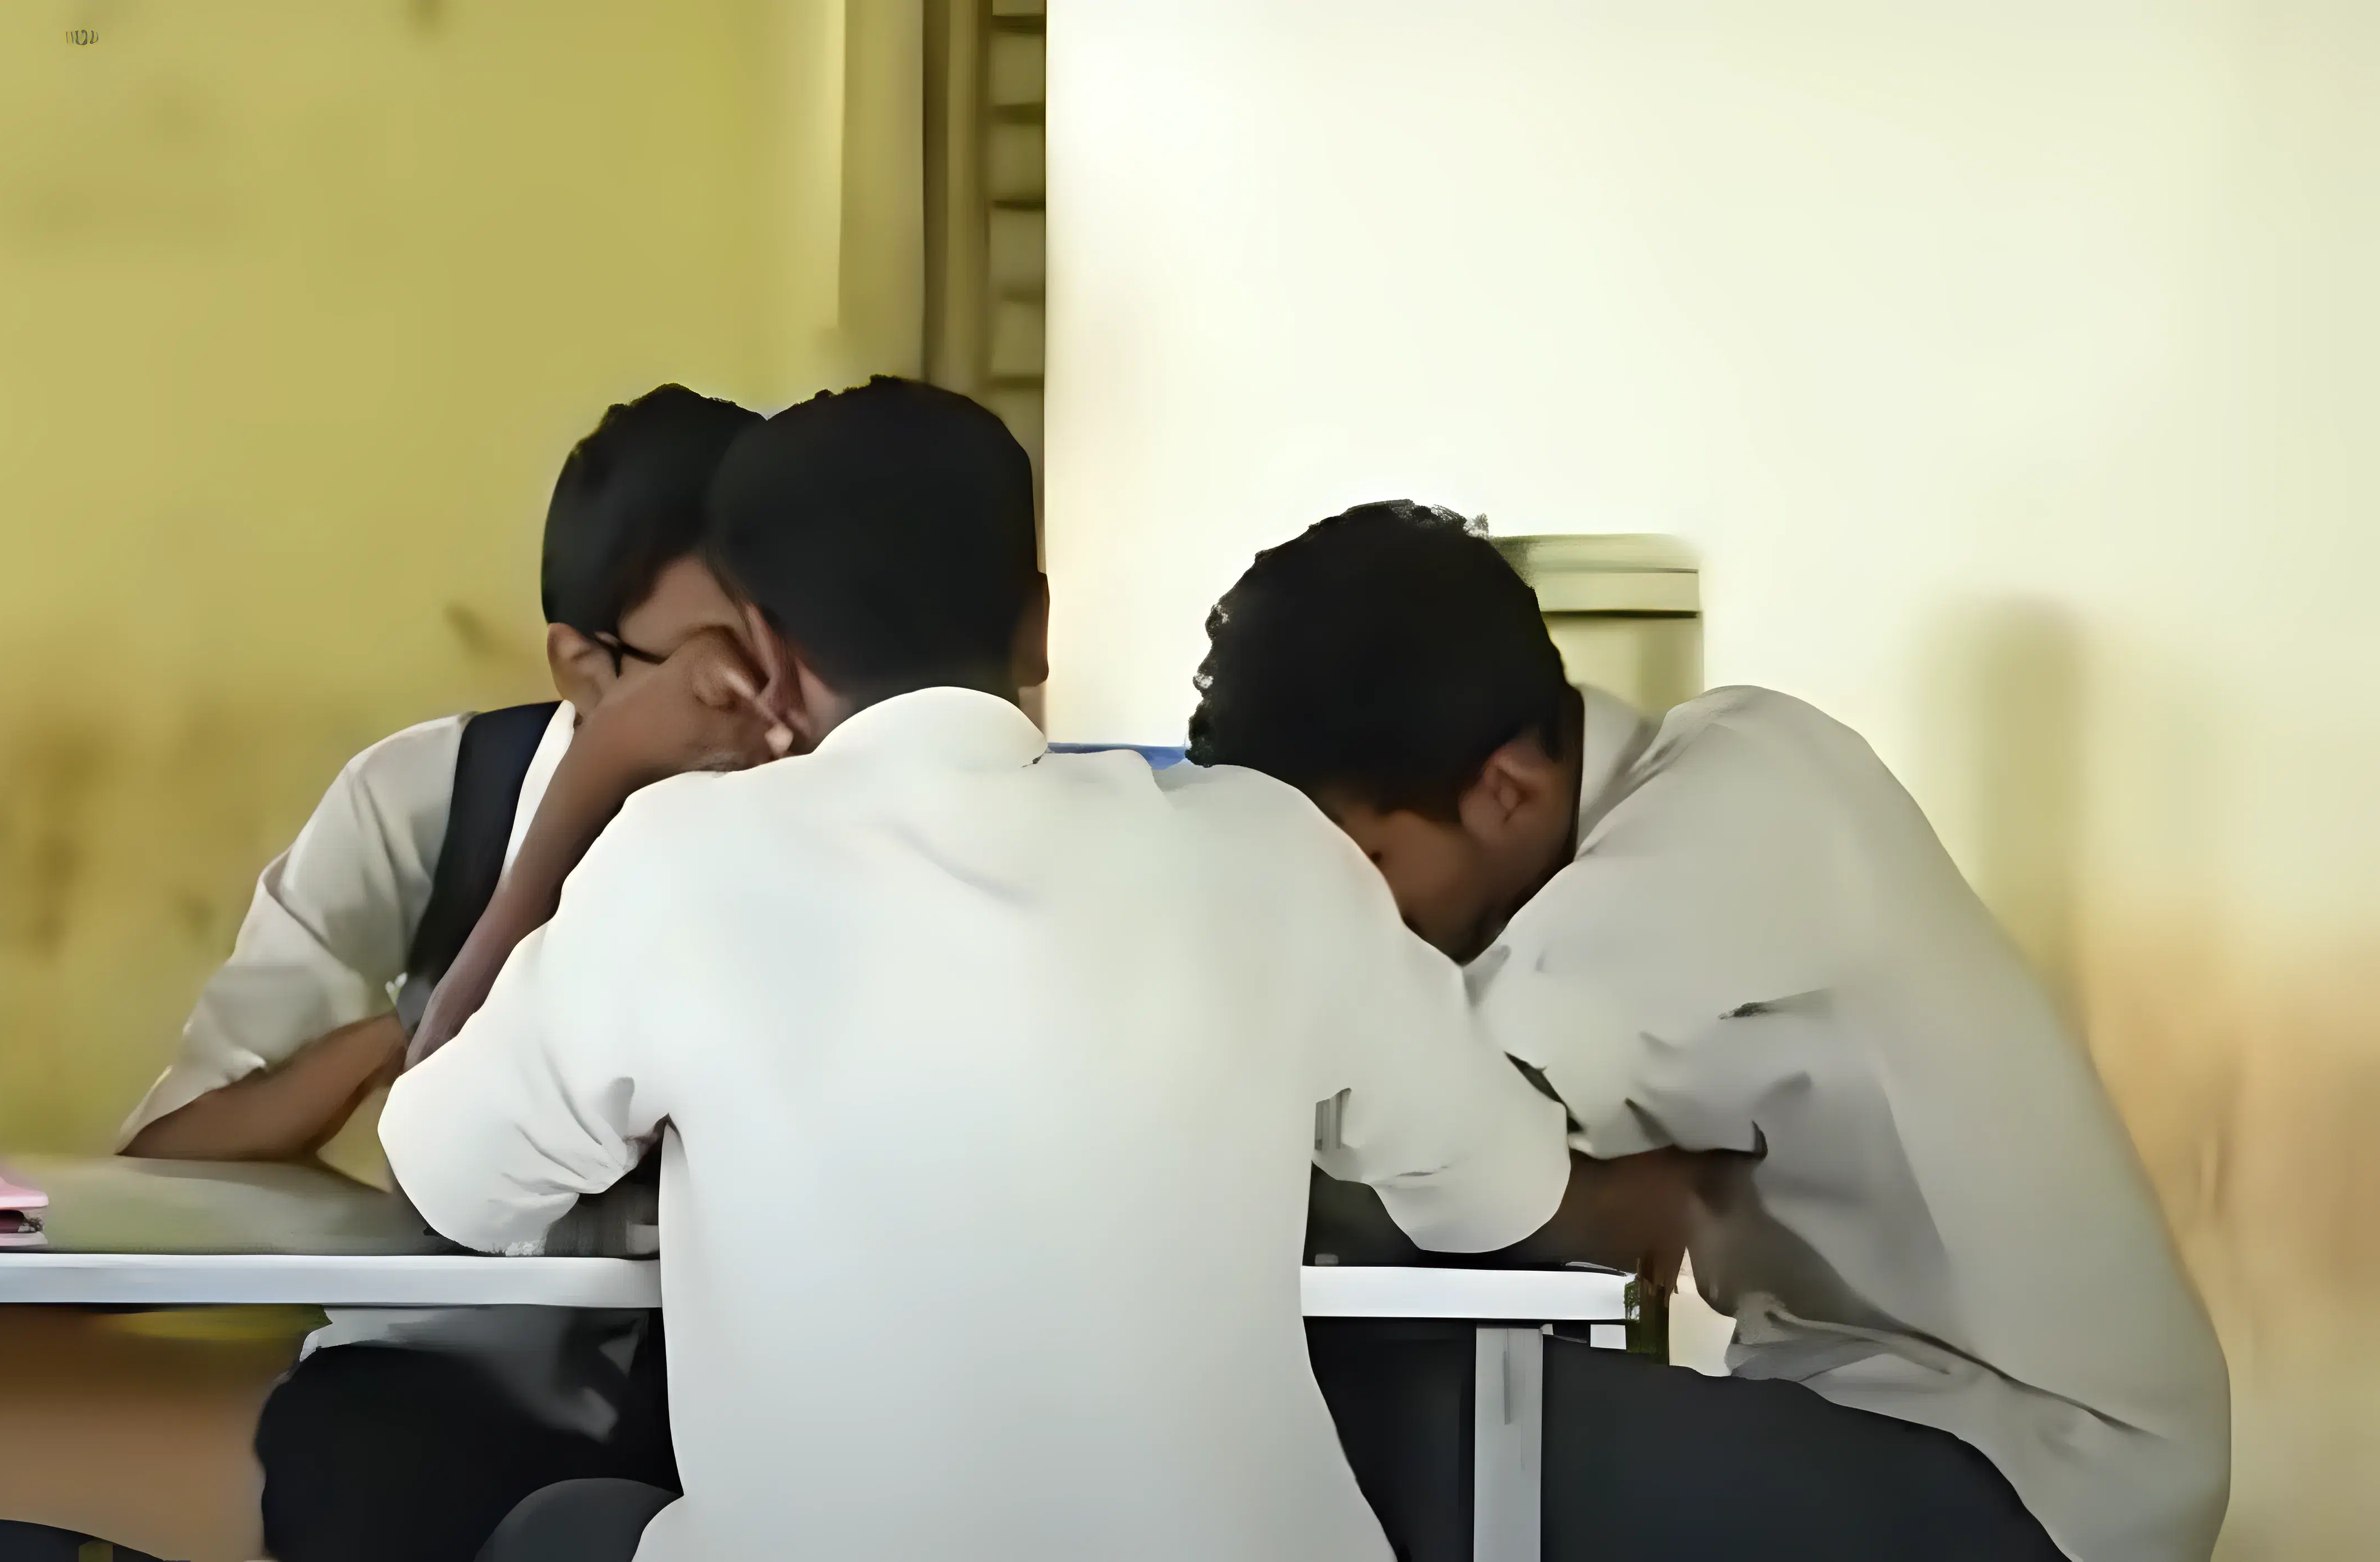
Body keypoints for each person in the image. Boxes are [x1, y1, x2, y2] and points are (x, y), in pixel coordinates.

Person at [378, 378, 1581, 1562]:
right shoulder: (1269, 851)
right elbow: (1507, 1194)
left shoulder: (681, 863)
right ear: (1038, 624)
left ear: (768, 654)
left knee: (562, 1528)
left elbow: (454, 1179)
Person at [1187, 501, 2228, 1562]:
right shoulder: (1593, 850)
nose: (1348, 923)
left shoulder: (1726, 813)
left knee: (1375, 1424)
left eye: (1359, 872)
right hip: (1876, 1410)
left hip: (2032, 1464)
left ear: (1506, 787)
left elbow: (1433, 1123)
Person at [113, 385, 758, 1562]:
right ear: (584, 663)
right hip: (440, 1385)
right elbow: (171, 1151)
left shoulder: (823, 827)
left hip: (724, 1391)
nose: (762, 718)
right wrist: (394, 1039)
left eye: (790, 665)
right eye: (717, 669)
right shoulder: (424, 804)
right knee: (358, 1467)